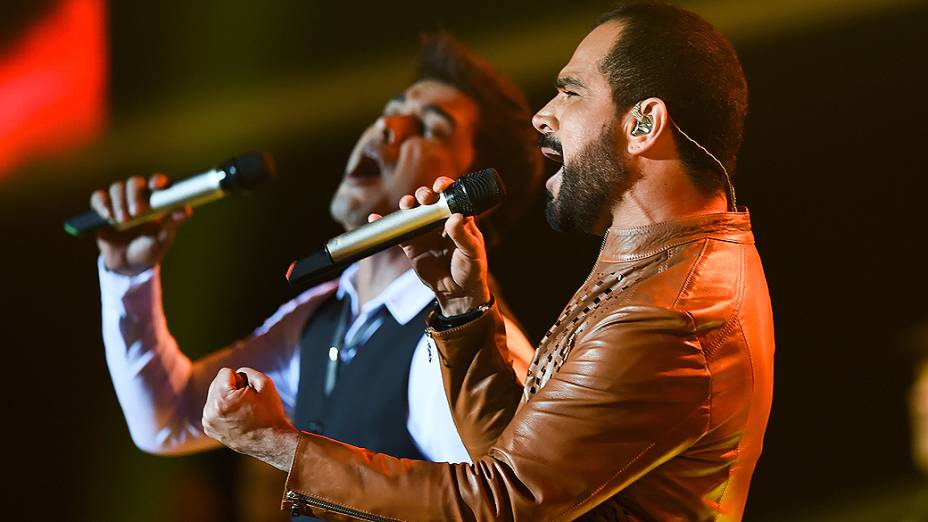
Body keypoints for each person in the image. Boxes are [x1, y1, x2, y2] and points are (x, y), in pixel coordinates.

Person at [200, 2, 776, 521]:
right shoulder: (659, 265)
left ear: (644, 123)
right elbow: (519, 461)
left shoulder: (669, 312)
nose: (542, 116)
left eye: (571, 93)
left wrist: (280, 446)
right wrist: (461, 309)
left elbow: (499, 503)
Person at [91, 32, 541, 518]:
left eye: (430, 128)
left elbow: (503, 503)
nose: (388, 125)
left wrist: (275, 444)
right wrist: (128, 273)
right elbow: (169, 417)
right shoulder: (321, 316)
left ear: (470, 195)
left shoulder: (469, 348)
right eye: (392, 109)